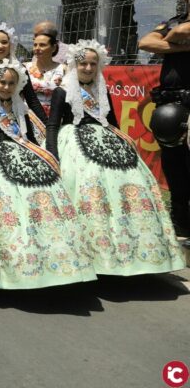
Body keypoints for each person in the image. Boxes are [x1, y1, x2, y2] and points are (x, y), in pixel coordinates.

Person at [46, 40, 184, 275]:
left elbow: (112, 123)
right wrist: (52, 155)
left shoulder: (103, 89)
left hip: (107, 142)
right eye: (83, 63)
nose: (88, 68)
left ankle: (132, 248)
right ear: (75, 64)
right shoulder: (62, 91)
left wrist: (124, 143)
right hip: (74, 144)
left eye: (93, 64)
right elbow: (52, 125)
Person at [0, 60, 95, 289]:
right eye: (2, 82)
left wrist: (44, 157)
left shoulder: (21, 108)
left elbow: (30, 139)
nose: (6, 87)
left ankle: (47, 253)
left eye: (11, 83)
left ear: (18, 85)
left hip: (23, 153)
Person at [137, 0, 190, 236]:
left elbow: (182, 30)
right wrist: (182, 45)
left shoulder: (175, 25)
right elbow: (146, 42)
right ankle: (181, 222)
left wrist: (172, 37)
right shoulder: (171, 22)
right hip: (169, 105)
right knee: (174, 166)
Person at [25, 24, 64, 117]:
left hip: (55, 118)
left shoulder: (64, 69)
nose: (37, 48)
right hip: (29, 118)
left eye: (42, 45)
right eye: (35, 45)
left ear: (53, 48)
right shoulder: (24, 68)